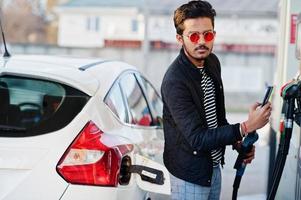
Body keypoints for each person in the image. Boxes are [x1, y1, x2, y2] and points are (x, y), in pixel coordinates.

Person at [160, 1, 272, 199]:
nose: (201, 41)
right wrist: (245, 127)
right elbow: (197, 138)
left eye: (208, 34)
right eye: (194, 36)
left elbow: (217, 119)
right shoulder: (175, 81)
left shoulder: (212, 63)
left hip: (213, 170)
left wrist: (237, 142)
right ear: (180, 38)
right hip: (189, 176)